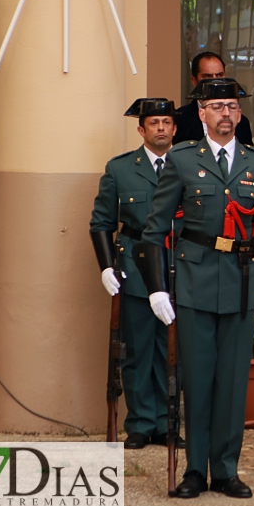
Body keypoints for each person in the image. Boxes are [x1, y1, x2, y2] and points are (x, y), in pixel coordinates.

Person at [134, 78, 254, 499]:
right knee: (197, 380)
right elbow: (155, 230)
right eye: (216, 106)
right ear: (201, 114)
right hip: (195, 282)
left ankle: (226, 470)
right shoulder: (181, 160)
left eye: (232, 106)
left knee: (233, 383)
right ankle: (195, 470)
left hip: (241, 281)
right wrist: (158, 288)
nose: (226, 114)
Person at [89, 98, 182, 450]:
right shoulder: (121, 169)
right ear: (141, 130)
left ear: (175, 128)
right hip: (136, 270)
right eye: (154, 123)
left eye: (166, 122)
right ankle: (141, 424)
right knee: (137, 349)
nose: (161, 128)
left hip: (180, 267)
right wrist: (107, 265)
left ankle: (166, 423)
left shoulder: (190, 165)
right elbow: (101, 223)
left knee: (172, 352)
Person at [174, 52, 254, 147]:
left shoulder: (242, 122)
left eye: (220, 75)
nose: (215, 82)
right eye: (208, 77)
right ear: (194, 81)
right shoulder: (179, 119)